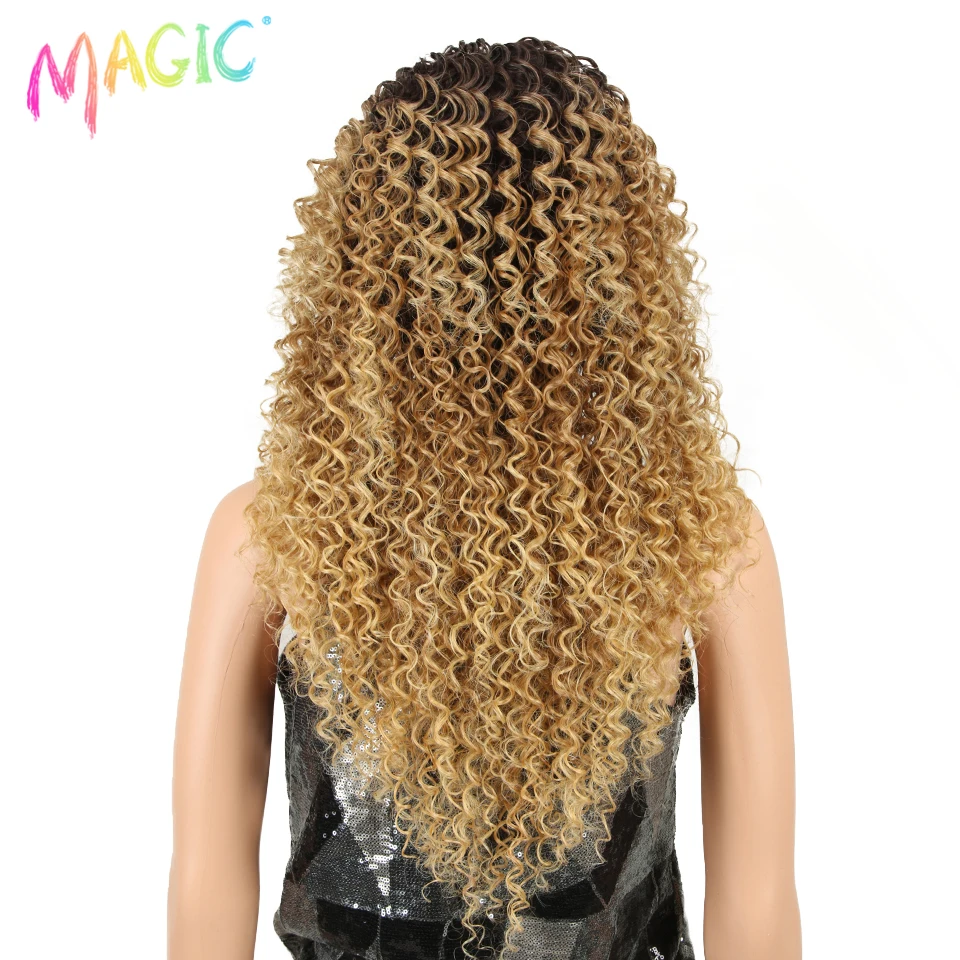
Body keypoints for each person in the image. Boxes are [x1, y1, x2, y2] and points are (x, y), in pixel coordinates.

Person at [167, 37, 801, 960]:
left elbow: (203, 888)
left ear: (367, 269)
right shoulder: (705, 537)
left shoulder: (266, 534)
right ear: (614, 270)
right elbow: (761, 907)